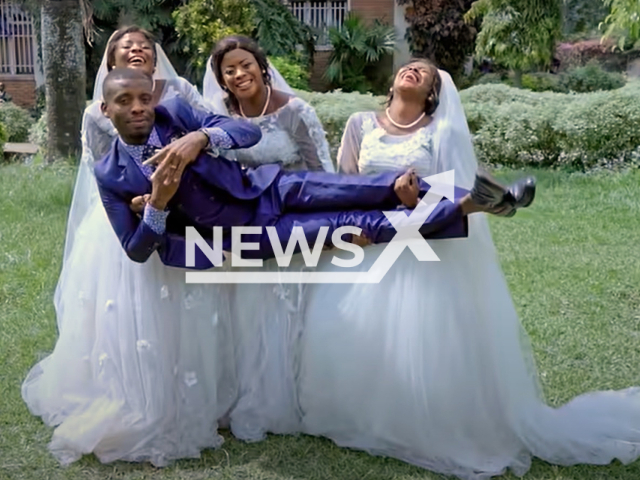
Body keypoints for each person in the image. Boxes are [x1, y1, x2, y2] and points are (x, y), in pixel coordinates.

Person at [297, 58, 640, 479]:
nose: (413, 71)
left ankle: (490, 201)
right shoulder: (359, 124)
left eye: (424, 72)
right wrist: (350, 226)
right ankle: (498, 203)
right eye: (408, 67)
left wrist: (412, 202)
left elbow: (445, 188)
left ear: (432, 94)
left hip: (419, 238)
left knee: (418, 335)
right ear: (393, 82)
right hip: (370, 235)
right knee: (347, 328)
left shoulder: (439, 131)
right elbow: (346, 182)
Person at [21, 27, 238, 467]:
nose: (138, 108)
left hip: (189, 222)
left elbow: (230, 132)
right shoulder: (101, 128)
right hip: (126, 217)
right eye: (126, 46)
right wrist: (146, 202)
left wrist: (199, 141)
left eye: (143, 45)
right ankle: (140, 394)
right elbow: (106, 171)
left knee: (191, 312)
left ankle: (194, 396)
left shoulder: (177, 100)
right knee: (132, 312)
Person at [95, 68, 536, 271]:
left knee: (379, 187)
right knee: (356, 224)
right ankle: (471, 204)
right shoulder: (110, 173)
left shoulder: (175, 115)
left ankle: (479, 197)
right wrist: (157, 205)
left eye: (143, 99)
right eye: (125, 102)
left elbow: (243, 134)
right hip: (240, 239)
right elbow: (135, 249)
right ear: (105, 109)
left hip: (269, 188)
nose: (139, 108)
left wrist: (201, 138)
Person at [202, 35, 335, 441]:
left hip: (292, 223)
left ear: (262, 66)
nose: (239, 74)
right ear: (221, 80)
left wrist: (326, 229)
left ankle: (290, 395)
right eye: (229, 70)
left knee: (285, 311)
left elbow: (322, 173)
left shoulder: (294, 112)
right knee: (242, 314)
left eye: (245, 65)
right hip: (240, 228)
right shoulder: (217, 116)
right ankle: (242, 393)